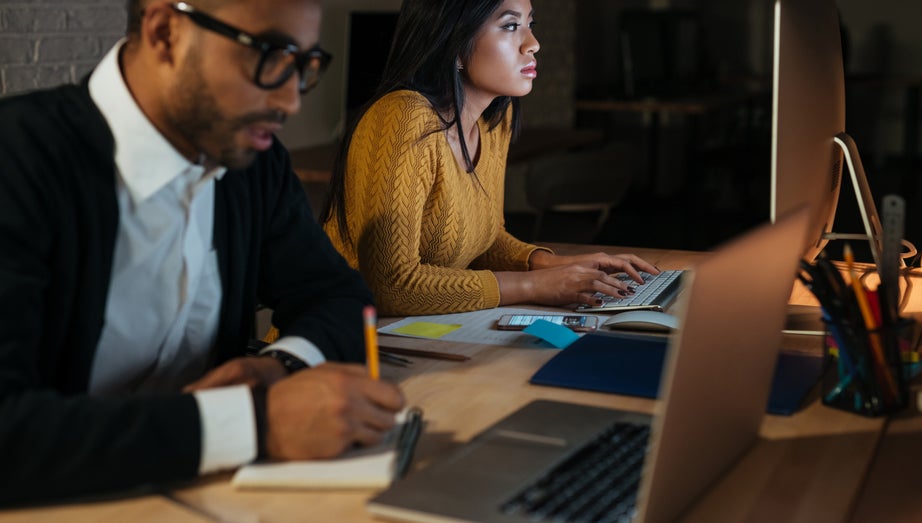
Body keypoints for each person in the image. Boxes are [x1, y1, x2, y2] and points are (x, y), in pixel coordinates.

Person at [0, 0, 404, 505]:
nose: (291, 100)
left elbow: (342, 300)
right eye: (271, 55)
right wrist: (257, 424)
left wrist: (279, 366)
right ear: (166, 31)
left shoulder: (254, 166)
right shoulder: (17, 159)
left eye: (303, 65)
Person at [319, 0, 660, 317]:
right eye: (511, 26)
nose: (533, 43)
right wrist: (534, 286)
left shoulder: (495, 119)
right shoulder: (403, 118)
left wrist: (561, 266)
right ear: (454, 44)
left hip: (412, 336)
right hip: (339, 343)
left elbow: (485, 240)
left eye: (530, 23)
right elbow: (390, 286)